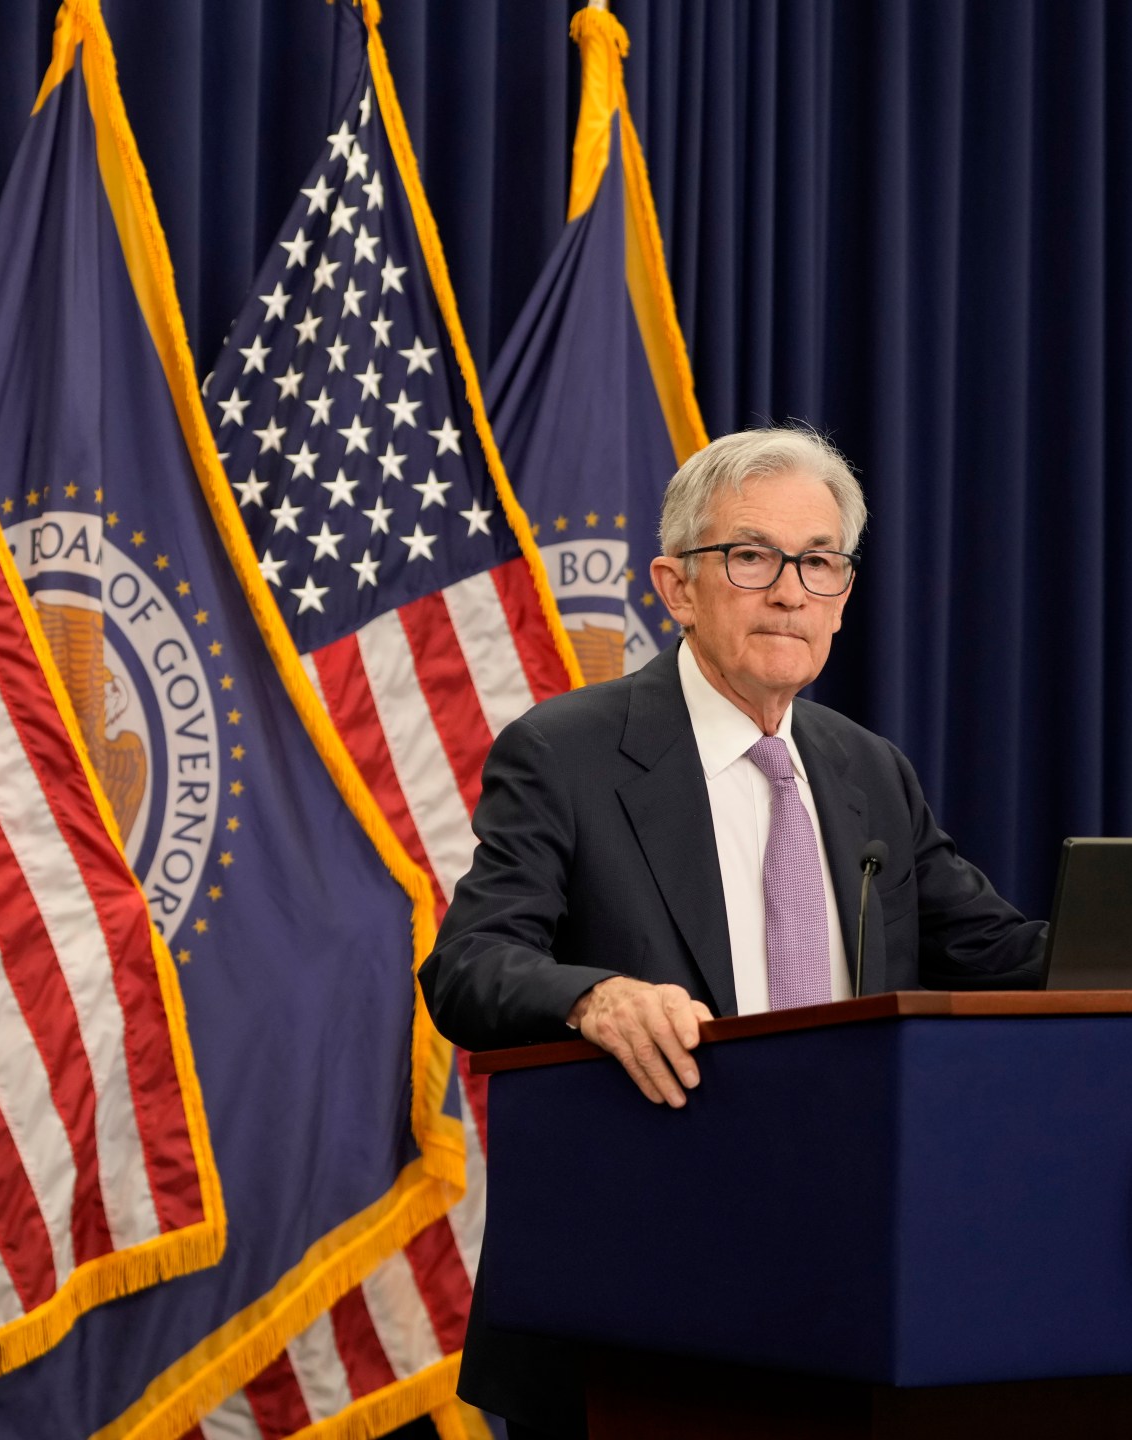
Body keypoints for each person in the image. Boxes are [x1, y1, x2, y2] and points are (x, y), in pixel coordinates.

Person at [420, 426, 1046, 1437]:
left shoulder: (868, 771)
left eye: (819, 562)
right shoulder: (567, 753)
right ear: (675, 587)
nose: (788, 591)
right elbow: (468, 967)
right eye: (750, 558)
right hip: (638, 1296)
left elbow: (1003, 959)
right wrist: (594, 996)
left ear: (841, 593)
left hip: (851, 1286)